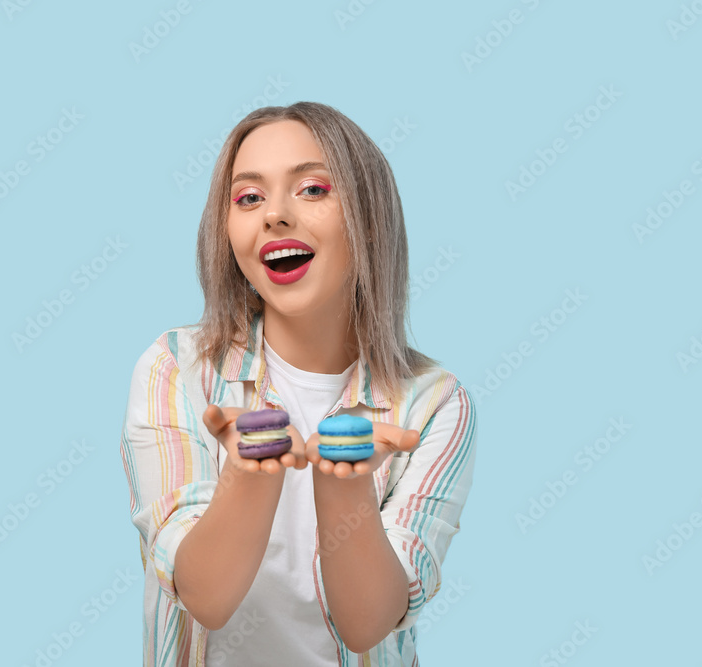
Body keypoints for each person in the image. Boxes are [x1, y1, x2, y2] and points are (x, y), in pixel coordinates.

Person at [119, 101, 477, 666]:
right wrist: (248, 475)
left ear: (369, 216)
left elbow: (368, 624)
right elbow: (204, 597)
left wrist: (345, 487)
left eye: (312, 189)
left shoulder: (435, 402)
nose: (274, 215)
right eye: (248, 197)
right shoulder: (175, 368)